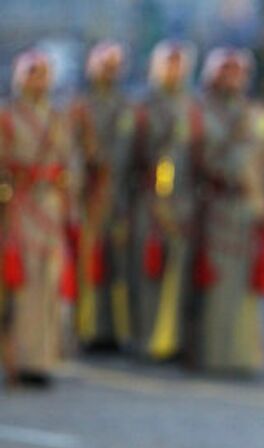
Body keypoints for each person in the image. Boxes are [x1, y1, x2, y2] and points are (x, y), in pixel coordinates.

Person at [0, 50, 79, 388]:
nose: (39, 80)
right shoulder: (7, 116)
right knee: (22, 284)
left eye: (43, 73)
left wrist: (71, 201)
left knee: (49, 282)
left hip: (51, 208)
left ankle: (44, 357)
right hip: (19, 208)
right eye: (32, 73)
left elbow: (71, 162)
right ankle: (21, 359)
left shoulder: (60, 118)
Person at [193, 48, 264, 374]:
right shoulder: (197, 113)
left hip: (247, 208)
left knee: (244, 287)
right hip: (213, 206)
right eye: (225, 71)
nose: (232, 78)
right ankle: (211, 354)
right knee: (215, 284)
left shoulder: (253, 114)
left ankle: (244, 356)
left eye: (237, 71)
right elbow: (178, 163)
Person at [131, 40, 201, 361]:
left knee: (181, 271)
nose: (174, 70)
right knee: (150, 270)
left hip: (186, 199)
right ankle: (147, 338)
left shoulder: (193, 106)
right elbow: (128, 159)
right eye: (168, 64)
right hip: (150, 200)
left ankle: (175, 338)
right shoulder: (144, 107)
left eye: (179, 64)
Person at [70, 41, 134, 350]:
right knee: (88, 263)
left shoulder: (127, 107)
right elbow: (68, 150)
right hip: (90, 195)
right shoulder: (79, 107)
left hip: (120, 194)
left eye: (114, 66)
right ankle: (88, 330)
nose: (109, 72)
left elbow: (137, 154)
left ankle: (115, 331)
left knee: (116, 264)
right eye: (104, 65)